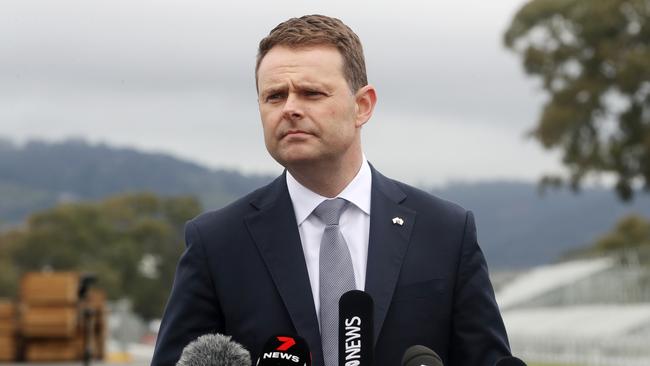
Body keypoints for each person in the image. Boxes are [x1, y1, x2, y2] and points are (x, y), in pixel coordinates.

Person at [152, 14, 510, 366]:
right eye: (275, 96)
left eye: (311, 93)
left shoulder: (446, 232)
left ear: (363, 105)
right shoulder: (216, 243)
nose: (290, 108)